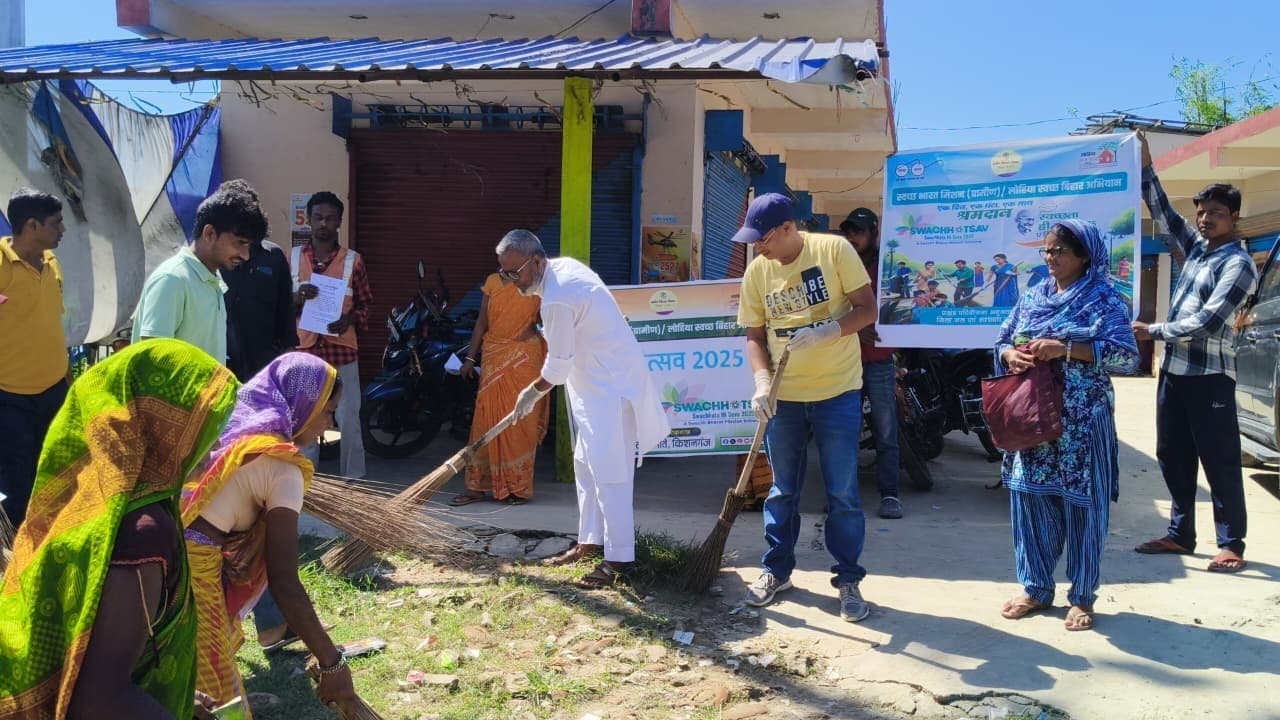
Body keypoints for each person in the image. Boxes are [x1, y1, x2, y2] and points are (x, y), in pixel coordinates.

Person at [0, 339, 239, 720]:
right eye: (204, 424)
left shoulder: (91, 503)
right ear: (162, 426)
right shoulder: (143, 532)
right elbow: (97, 701)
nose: (216, 446)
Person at [181, 353, 359, 714]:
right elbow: (285, 582)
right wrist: (332, 663)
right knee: (219, 702)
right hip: (194, 575)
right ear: (302, 404)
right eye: (328, 411)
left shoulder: (237, 435)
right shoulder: (282, 468)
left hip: (169, 557)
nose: (330, 423)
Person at [495, 230, 670, 587]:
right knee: (586, 469)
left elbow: (557, 367)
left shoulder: (557, 298)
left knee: (611, 476)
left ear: (538, 262)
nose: (512, 282)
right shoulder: (563, 270)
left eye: (515, 273)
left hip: (610, 391)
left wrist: (529, 393)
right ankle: (590, 541)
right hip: (593, 390)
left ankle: (619, 559)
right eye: (505, 274)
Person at [734, 194, 877, 622]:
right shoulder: (757, 272)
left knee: (843, 493)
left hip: (837, 391)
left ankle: (849, 580)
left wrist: (830, 330)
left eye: (763, 239)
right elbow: (755, 336)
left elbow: (867, 309)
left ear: (787, 229)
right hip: (785, 397)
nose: (758, 247)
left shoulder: (833, 250)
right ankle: (777, 571)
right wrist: (762, 383)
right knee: (782, 490)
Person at [994, 221, 1138, 631]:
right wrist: (1010, 356)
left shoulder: (1104, 299)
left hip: (1081, 422)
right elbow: (1002, 339)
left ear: (1084, 255)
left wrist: (1068, 349)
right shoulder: (1035, 295)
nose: (1050, 258)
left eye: (1059, 251)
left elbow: (1126, 358)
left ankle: (1082, 595)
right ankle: (1036, 588)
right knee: (1031, 501)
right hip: (1033, 419)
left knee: (1084, 507)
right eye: (1047, 250)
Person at [1131, 132, 1258, 573]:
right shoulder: (1197, 251)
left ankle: (1231, 544)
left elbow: (1209, 320)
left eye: (1215, 214)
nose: (1205, 220)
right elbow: (1163, 213)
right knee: (1173, 456)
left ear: (1234, 217)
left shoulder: (1237, 264)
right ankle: (1181, 534)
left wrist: (1154, 330)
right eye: (1202, 213)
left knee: (1219, 459)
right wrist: (1146, 164)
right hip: (1175, 374)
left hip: (1210, 379)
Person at [132, 181, 267, 362]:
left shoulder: (213, 281)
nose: (245, 255)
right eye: (241, 243)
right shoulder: (172, 279)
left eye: (249, 246)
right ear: (210, 233)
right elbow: (152, 361)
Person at [0, 189, 68, 530]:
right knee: (19, 485)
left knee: (57, 476)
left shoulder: (52, 263)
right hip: (9, 398)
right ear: (31, 225)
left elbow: (51, 323)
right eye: (56, 223)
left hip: (54, 391)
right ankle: (15, 562)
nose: (63, 230)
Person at [450, 272, 550, 506]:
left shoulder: (537, 283)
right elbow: (482, 322)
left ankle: (518, 487)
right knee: (484, 421)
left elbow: (548, 321)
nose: (505, 264)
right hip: (494, 356)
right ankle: (476, 487)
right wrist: (470, 358)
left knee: (520, 422)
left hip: (524, 360)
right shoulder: (493, 282)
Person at [290, 191, 370, 479]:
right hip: (306, 352)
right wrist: (297, 298)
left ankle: (353, 481)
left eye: (330, 218)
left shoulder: (353, 261)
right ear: (308, 220)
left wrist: (350, 319)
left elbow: (365, 305)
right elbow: (279, 307)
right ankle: (305, 481)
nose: (324, 223)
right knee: (307, 418)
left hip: (342, 351)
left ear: (339, 222)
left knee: (349, 419)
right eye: (318, 217)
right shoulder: (293, 258)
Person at [840, 208, 902, 520]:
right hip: (844, 361)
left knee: (886, 430)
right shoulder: (837, 265)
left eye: (859, 231)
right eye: (849, 231)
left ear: (874, 234)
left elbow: (897, 307)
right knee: (845, 432)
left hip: (878, 360)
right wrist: (854, 325)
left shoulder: (887, 269)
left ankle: (889, 495)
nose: (853, 237)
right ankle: (844, 497)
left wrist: (874, 328)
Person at [224, 236, 299, 382]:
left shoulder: (274, 255)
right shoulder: (220, 254)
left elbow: (285, 305)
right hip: (226, 357)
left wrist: (289, 349)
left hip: (265, 357)